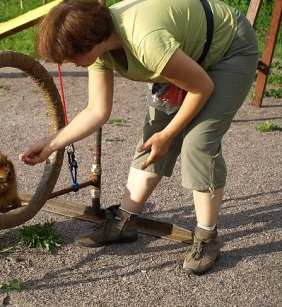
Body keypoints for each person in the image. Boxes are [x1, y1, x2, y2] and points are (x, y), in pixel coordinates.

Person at [19, 0, 258, 275]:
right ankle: (124, 221)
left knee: (198, 143)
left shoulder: (146, 42)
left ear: (90, 41)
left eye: (71, 55)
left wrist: (169, 135)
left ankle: (207, 238)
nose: (68, 63)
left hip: (229, 48)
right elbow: (97, 110)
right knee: (152, 139)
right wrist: (50, 144)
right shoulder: (99, 50)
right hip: (184, 52)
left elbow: (201, 86)